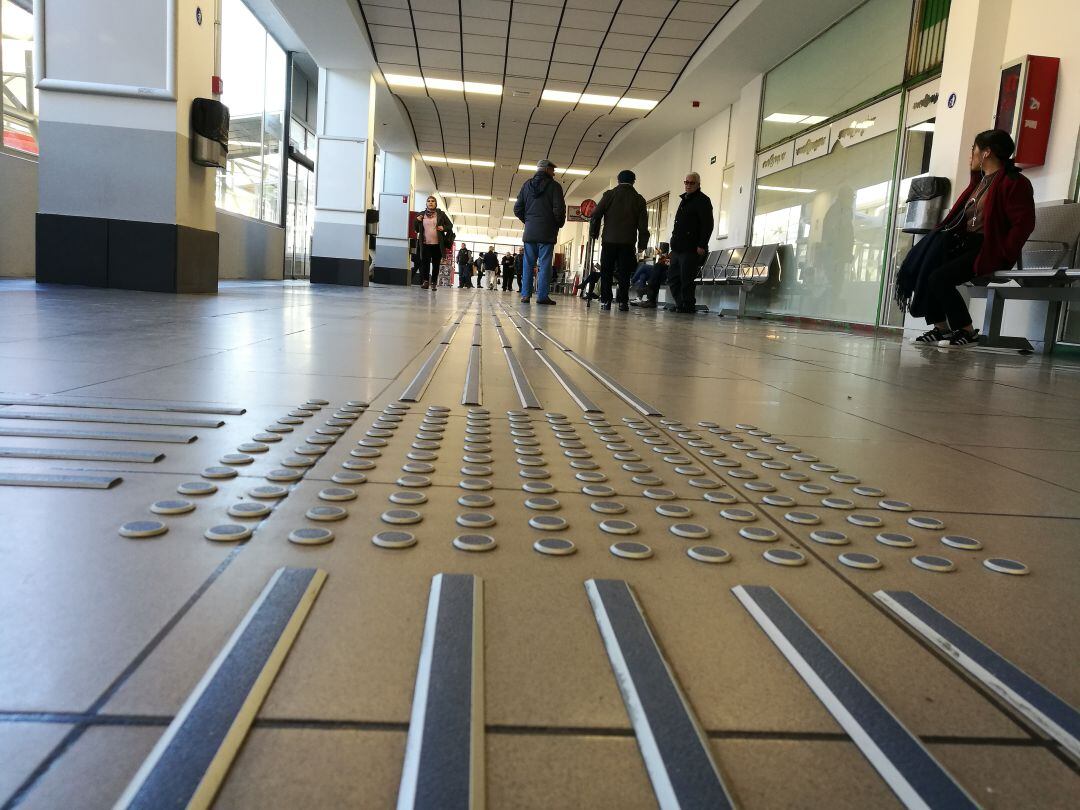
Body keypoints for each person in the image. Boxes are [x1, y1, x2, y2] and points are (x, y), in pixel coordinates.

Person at [901, 129, 1035, 348]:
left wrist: (1004, 253)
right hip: (968, 244)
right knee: (928, 264)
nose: (970, 155)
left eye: (973, 149)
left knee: (939, 278)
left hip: (989, 248)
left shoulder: (1014, 182)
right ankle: (941, 328)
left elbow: (1024, 225)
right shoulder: (979, 182)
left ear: (986, 153)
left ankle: (966, 331)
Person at [588, 169, 650, 311]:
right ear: (634, 181)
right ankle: (623, 302)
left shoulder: (609, 194)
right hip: (627, 242)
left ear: (618, 180)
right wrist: (642, 244)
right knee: (624, 273)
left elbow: (596, 213)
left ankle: (605, 301)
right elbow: (643, 225)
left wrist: (594, 232)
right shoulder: (639, 199)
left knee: (606, 272)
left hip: (609, 240)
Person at [514, 159, 566, 305]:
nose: (554, 173)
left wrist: (529, 221)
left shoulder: (526, 185)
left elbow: (517, 208)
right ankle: (542, 296)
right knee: (544, 265)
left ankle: (525, 295)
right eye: (552, 170)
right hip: (547, 233)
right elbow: (559, 209)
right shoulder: (555, 187)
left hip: (530, 232)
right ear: (547, 170)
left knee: (528, 264)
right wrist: (558, 224)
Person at [667, 173, 714, 313]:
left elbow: (707, 224)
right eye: (686, 182)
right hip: (677, 248)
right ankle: (680, 303)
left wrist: (702, 244)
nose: (688, 185)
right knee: (673, 278)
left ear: (698, 184)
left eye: (691, 183)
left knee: (687, 280)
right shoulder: (684, 199)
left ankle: (687, 305)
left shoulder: (703, 200)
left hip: (691, 248)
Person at [414, 196, 453, 291]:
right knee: (425, 263)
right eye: (429, 201)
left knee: (436, 265)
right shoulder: (421, 215)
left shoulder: (441, 214)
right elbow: (416, 229)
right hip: (425, 244)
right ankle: (426, 281)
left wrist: (443, 228)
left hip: (437, 245)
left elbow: (450, 225)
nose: (430, 203)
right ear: (426, 203)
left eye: (433, 201)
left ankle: (434, 283)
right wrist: (417, 221)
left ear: (435, 204)